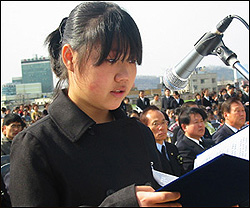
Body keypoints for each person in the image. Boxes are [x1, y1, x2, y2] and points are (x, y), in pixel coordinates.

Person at [9, 2, 181, 207]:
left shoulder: (139, 134)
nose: (124, 76)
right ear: (69, 57)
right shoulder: (36, 145)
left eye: (132, 60)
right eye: (110, 60)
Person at [140, 106, 185, 177]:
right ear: (145, 128)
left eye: (163, 122)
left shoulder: (172, 148)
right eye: (155, 124)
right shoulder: (144, 154)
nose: (161, 127)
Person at [176, 107, 215, 173]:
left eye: (202, 121)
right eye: (196, 122)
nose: (201, 125)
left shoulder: (209, 143)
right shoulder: (183, 147)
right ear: (184, 127)